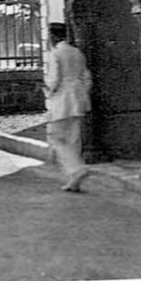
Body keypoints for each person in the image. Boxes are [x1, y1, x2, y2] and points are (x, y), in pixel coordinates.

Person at [43, 21, 93, 192]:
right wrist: (81, 93)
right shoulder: (77, 52)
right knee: (73, 139)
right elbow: (86, 77)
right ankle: (74, 180)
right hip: (78, 100)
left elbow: (54, 79)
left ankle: (76, 169)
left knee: (56, 137)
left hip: (62, 101)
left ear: (53, 36)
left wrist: (48, 90)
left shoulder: (55, 54)